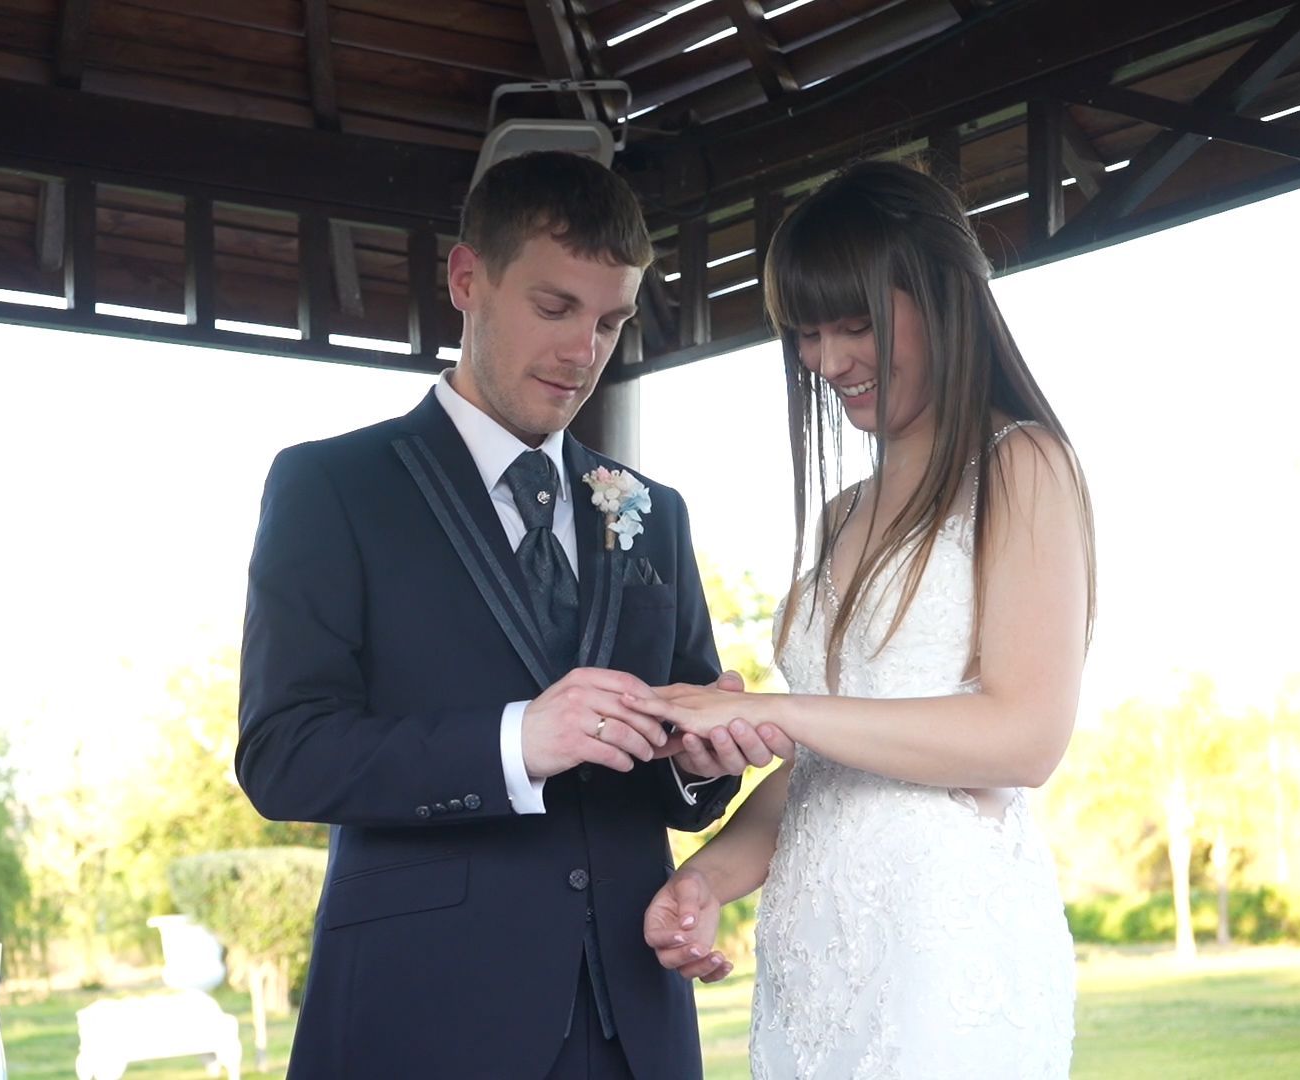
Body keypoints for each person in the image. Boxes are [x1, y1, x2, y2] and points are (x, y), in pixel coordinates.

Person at [236, 150, 780, 1079]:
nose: (585, 352)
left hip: (634, 1019)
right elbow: (283, 755)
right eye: (555, 307)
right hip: (420, 1015)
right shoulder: (331, 486)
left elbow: (681, 787)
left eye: (611, 321)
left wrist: (697, 765)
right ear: (466, 279)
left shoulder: (656, 511)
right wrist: (515, 740)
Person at [632, 160, 1096, 1077]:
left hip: (945, 951)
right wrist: (705, 880)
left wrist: (772, 712)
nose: (826, 361)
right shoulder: (840, 513)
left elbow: (1026, 737)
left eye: (856, 326)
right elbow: (830, 771)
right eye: (806, 333)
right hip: (816, 953)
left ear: (946, 299)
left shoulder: (1022, 465)